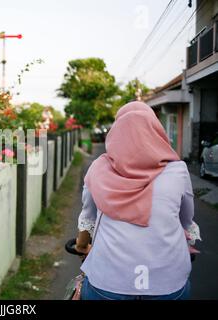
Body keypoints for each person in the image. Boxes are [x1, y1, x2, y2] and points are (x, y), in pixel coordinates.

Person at [75, 101, 201, 300]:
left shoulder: (98, 169)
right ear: (155, 130)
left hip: (106, 283)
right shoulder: (177, 170)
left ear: (117, 132)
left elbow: (88, 219)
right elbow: (186, 220)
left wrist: (82, 246)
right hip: (168, 284)